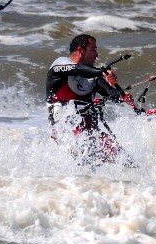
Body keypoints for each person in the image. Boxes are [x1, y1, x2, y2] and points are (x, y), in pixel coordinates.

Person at [46, 33, 136, 166]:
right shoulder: (60, 64)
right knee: (86, 162)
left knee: (126, 162)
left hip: (91, 133)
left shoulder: (94, 76)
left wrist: (123, 96)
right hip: (66, 133)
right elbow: (79, 69)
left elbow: (111, 93)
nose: (97, 54)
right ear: (81, 50)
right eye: (93, 49)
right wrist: (102, 72)